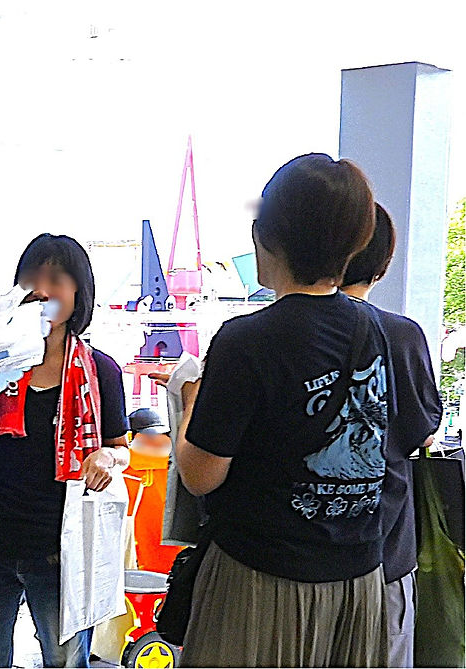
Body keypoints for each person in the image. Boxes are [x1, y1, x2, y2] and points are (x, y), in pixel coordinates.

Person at [155, 153, 391, 666]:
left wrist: (192, 402)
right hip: (357, 576)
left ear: (269, 237)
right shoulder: (372, 329)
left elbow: (200, 476)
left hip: (263, 580)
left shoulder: (247, 338)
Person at [0, 234, 130, 668]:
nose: (42, 289)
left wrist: (106, 457)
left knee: (65, 663)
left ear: (78, 290)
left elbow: (122, 448)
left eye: (57, 278)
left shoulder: (99, 369)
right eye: (32, 277)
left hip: (60, 551)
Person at [341, 203, 443, 667]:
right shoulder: (402, 334)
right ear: (382, 265)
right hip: (385, 546)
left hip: (296, 557)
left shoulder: (272, 333)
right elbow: (422, 428)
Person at [123, 408, 183, 573]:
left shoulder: (125, 466)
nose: (155, 441)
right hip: (152, 553)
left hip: (144, 555)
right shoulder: (176, 465)